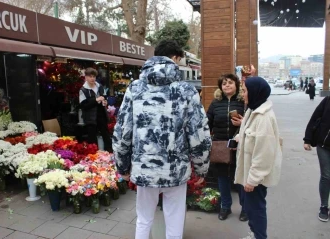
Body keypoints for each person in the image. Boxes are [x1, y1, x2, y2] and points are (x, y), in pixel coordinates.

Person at [112, 40, 211, 239]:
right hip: (176, 169)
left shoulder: (135, 88)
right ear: (174, 58)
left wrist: (122, 166)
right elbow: (199, 133)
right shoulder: (187, 90)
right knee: (174, 221)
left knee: (143, 219)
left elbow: (123, 130)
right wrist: (201, 168)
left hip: (144, 167)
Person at [235, 77, 282, 239]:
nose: (243, 94)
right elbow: (252, 137)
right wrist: (239, 138)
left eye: (245, 90)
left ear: (255, 92)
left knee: (256, 208)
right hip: (247, 171)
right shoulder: (252, 110)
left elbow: (264, 153)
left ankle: (260, 236)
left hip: (255, 175)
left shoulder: (263, 117)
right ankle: (255, 233)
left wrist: (253, 179)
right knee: (249, 206)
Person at [206, 74, 247, 221]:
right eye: (224, 84)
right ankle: (225, 206)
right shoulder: (216, 103)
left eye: (230, 83)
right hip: (220, 145)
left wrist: (242, 124)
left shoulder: (243, 102)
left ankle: (245, 208)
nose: (227, 86)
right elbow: (207, 122)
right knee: (222, 177)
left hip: (239, 145)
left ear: (236, 85)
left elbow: (253, 123)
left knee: (240, 177)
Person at [303, 96, 330, 222]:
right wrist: (307, 139)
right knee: (326, 176)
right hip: (323, 145)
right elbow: (315, 118)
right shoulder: (328, 100)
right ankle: (324, 206)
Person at [79, 68, 112, 152]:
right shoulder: (83, 90)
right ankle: (93, 156)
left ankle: (109, 153)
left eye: (94, 76)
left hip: (101, 115)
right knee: (92, 138)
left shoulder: (99, 86)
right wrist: (96, 100)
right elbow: (84, 106)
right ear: (86, 77)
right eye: (90, 77)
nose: (92, 78)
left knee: (106, 135)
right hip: (90, 117)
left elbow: (104, 97)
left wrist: (104, 102)